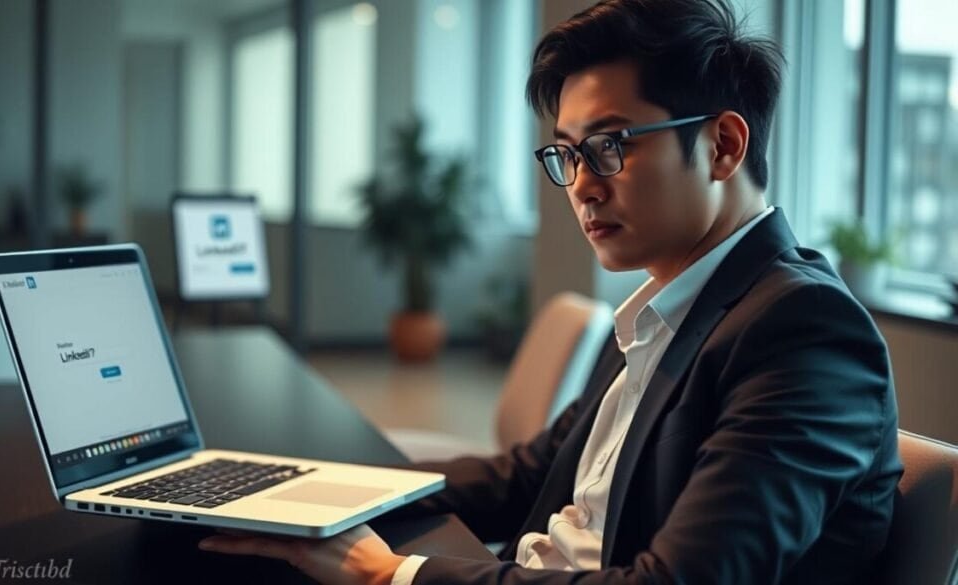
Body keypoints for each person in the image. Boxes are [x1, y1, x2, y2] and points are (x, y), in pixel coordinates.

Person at [197, 1, 903, 583]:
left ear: (722, 145)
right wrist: (314, 489)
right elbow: (530, 473)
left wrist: (393, 575)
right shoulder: (665, 310)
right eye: (567, 154)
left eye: (610, 145)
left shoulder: (804, 329)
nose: (582, 186)